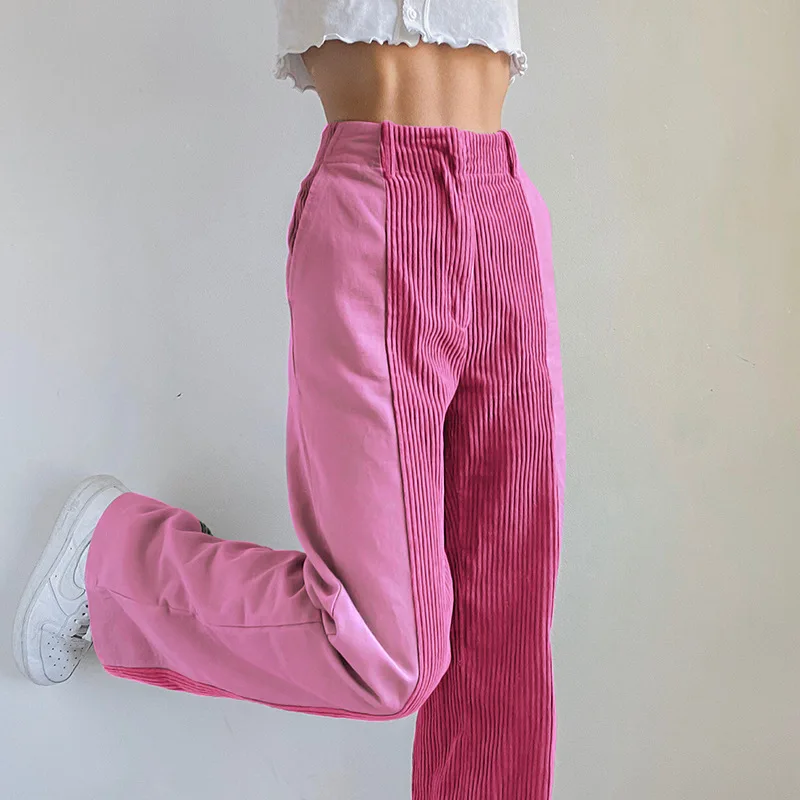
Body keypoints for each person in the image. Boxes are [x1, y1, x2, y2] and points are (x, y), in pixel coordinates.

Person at [13, 2, 566, 798]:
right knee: (386, 654)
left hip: (506, 204)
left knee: (504, 634)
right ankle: (119, 557)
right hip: (384, 196)